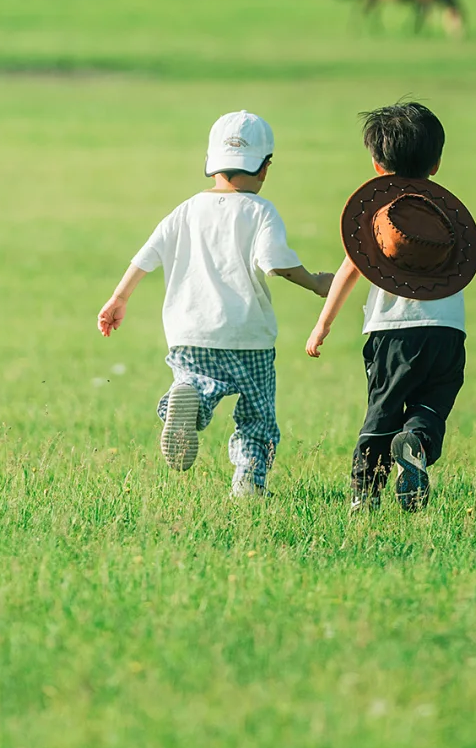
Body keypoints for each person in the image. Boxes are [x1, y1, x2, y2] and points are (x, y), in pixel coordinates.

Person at [306, 101, 476, 511]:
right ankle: (418, 443)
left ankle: (365, 494)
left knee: (382, 411)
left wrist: (322, 325)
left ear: (377, 165)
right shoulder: (445, 218)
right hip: (447, 333)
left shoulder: (377, 219)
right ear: (437, 164)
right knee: (433, 402)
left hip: (391, 334)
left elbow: (348, 272)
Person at [97, 110, 332, 499]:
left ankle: (188, 395)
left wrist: (119, 298)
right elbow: (275, 262)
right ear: (265, 167)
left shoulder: (186, 209)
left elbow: (146, 255)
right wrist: (315, 282)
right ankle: (248, 479)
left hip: (190, 333)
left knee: (197, 382)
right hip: (248, 335)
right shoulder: (260, 211)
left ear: (210, 164)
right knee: (257, 417)